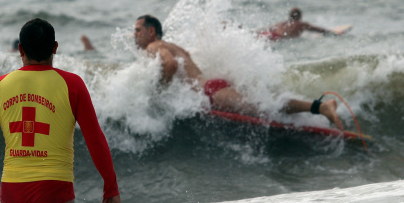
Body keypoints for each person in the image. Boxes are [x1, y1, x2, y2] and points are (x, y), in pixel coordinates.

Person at [0, 18, 121, 203]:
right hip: (55, 188)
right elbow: (94, 139)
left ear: (20, 49)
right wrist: (110, 186)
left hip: (13, 189)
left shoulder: (0, 86)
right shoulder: (73, 84)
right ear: (55, 48)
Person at [134, 15, 344, 129]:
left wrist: (159, 92)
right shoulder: (172, 44)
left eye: (137, 30)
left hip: (211, 92)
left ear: (151, 32)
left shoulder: (154, 47)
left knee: (266, 109)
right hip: (212, 88)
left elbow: (170, 65)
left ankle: (322, 107)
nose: (134, 35)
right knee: (265, 107)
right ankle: (318, 108)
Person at [258, 8, 350, 40]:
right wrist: (332, 33)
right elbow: (318, 29)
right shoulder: (301, 24)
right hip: (278, 39)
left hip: (269, 35)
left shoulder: (281, 23)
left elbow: (266, 29)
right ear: (300, 16)